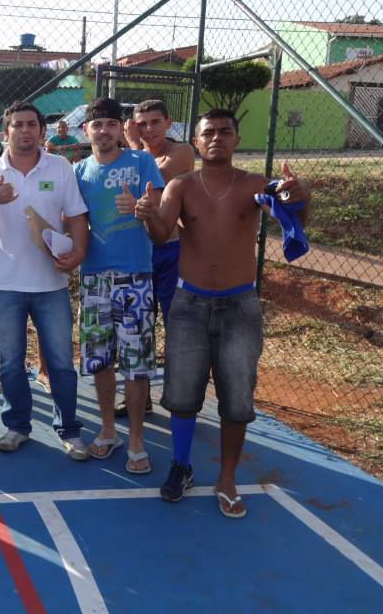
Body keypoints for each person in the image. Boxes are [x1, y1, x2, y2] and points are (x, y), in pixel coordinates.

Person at [135, 108, 310, 517]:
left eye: (224, 132)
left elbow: (287, 208)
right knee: (181, 395)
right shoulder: (180, 185)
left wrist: (299, 197)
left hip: (239, 305)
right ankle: (181, 465)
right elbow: (162, 235)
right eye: (208, 132)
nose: (216, 138)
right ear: (195, 142)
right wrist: (146, 216)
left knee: (236, 399)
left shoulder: (254, 186)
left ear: (236, 139)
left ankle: (227, 478)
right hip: (189, 303)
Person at [0, 101, 89, 458]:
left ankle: (68, 430)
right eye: (17, 124)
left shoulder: (60, 167)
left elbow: (77, 216)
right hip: (5, 285)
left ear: (42, 131)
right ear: (6, 132)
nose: (26, 130)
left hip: (51, 285)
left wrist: (78, 252)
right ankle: (17, 426)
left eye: (32, 124)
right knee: (10, 362)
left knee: (62, 363)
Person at [73, 98, 165, 475]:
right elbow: (71, 222)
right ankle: (108, 429)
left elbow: (157, 216)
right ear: (87, 131)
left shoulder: (142, 162)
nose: (104, 130)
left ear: (121, 128)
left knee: (137, 363)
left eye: (112, 123)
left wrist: (143, 209)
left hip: (135, 276)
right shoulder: (77, 171)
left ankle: (137, 440)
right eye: (97, 125)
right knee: (100, 360)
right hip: (93, 277)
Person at [115, 100, 196, 417]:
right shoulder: (132, 154)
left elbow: (151, 177)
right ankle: (139, 394)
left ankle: (179, 395)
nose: (148, 129)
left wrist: (133, 145)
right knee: (137, 326)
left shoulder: (181, 152)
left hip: (170, 251)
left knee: (177, 324)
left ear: (168, 122)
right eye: (142, 123)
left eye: (154, 122)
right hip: (138, 252)